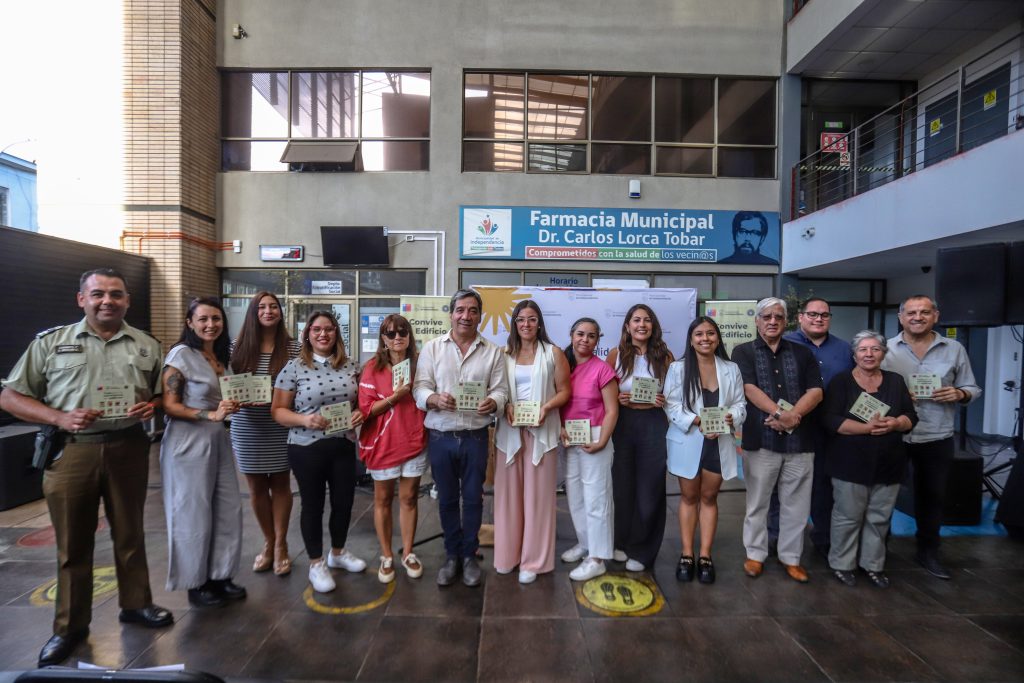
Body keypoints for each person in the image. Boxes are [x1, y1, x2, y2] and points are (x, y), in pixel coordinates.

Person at [0, 268, 172, 667]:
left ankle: (136, 604)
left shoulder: (146, 345)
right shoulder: (51, 343)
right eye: (98, 294)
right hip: (71, 450)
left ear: (127, 300)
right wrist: (59, 418)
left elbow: (162, 395)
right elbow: (10, 397)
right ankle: (69, 627)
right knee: (72, 545)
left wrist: (153, 405)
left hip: (129, 446)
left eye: (116, 294)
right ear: (82, 299)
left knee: (130, 533)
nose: (107, 301)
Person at [413, 289, 508, 587]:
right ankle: (451, 555)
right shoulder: (432, 348)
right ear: (451, 313)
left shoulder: (493, 351)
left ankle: (469, 555)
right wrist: (433, 399)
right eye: (460, 310)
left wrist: (493, 402)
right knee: (447, 499)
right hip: (441, 435)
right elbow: (419, 388)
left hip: (476, 437)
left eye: (472, 311)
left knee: (473, 499)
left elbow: (502, 390)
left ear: (480, 315)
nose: (466, 316)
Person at [882, 295, 981, 580]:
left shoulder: (954, 348)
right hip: (895, 434)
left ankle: (928, 551)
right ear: (900, 317)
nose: (917, 317)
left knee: (933, 497)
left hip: (936, 434)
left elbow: (972, 387)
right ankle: (879, 551)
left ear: (935, 316)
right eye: (911, 312)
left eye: (924, 312)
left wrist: (960, 393)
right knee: (884, 495)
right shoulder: (885, 350)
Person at [272, 310, 367, 593]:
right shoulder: (294, 368)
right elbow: (278, 411)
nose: (323, 334)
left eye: (328, 329)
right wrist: (305, 419)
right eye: (316, 329)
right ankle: (315, 563)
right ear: (307, 334)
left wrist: (360, 413)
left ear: (337, 333)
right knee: (312, 504)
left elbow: (362, 401)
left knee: (344, 502)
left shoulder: (352, 366)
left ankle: (337, 553)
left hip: (343, 444)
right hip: (306, 446)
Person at [160, 297, 246, 608]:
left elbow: (223, 399)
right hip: (188, 443)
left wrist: (233, 404)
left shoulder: (221, 357)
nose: (211, 324)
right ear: (190, 323)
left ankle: (221, 575)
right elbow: (168, 405)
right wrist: (208, 414)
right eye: (203, 319)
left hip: (219, 439)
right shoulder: (181, 355)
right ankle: (196, 582)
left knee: (227, 508)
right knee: (192, 512)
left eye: (216, 319)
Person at [732, 297, 823, 583]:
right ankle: (755, 555)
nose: (772, 321)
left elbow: (816, 391)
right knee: (757, 503)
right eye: (767, 316)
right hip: (761, 441)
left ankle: (791, 558)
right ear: (757, 321)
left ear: (787, 322)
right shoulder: (743, 352)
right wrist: (778, 413)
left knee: (797, 505)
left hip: (800, 442)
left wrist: (793, 416)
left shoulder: (802, 352)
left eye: (778, 317)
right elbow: (748, 388)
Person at [822, 331, 918, 588]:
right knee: (847, 516)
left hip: (889, 462)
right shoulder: (841, 382)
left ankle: (873, 565)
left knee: (879, 518)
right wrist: (867, 429)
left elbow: (911, 416)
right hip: (849, 462)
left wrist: (897, 422)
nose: (869, 354)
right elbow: (830, 420)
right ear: (854, 355)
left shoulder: (896, 382)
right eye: (863, 349)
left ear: (884, 353)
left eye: (875, 349)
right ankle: (842, 564)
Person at [664, 316, 746, 584]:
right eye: (699, 334)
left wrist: (730, 418)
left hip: (718, 442)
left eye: (710, 334)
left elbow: (740, 405)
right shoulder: (678, 369)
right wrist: (699, 421)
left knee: (709, 498)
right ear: (691, 339)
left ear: (718, 338)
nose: (705, 339)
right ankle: (687, 554)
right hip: (689, 440)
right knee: (689, 498)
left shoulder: (731, 368)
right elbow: (672, 405)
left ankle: (705, 555)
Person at [494, 301, 571, 584]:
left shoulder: (553, 353)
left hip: (542, 432)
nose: (526, 324)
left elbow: (565, 391)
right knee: (508, 498)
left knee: (538, 500)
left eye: (532, 319)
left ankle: (533, 562)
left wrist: (547, 408)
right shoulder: (503, 355)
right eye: (521, 319)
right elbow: (497, 391)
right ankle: (507, 555)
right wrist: (506, 408)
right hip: (509, 432)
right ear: (514, 324)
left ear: (539, 323)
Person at [776, 297, 855, 557]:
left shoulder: (845, 350)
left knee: (824, 486)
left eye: (824, 315)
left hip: (832, 429)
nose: (818, 319)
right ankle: (776, 540)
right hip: (791, 426)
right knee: (782, 486)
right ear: (800, 317)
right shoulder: (784, 344)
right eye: (812, 314)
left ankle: (822, 539)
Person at [229, 291, 301, 577]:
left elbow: (299, 385)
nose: (268, 311)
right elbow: (229, 383)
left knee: (281, 483)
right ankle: (268, 543)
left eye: (273, 306)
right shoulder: (236, 346)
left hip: (280, 425)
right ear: (253, 312)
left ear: (280, 312)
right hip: (247, 424)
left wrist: (281, 399)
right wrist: (235, 399)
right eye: (262, 307)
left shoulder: (293, 348)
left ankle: (282, 544)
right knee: (256, 488)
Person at [358, 314, 428, 584]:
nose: (397, 337)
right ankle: (387, 555)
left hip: (413, 439)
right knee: (383, 500)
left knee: (409, 498)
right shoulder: (372, 368)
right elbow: (366, 410)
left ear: (409, 336)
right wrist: (395, 398)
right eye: (390, 333)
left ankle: (408, 552)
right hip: (383, 443)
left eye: (403, 332)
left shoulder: (420, 365)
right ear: (383, 339)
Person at [606, 304, 673, 572]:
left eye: (647, 320)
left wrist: (664, 399)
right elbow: (605, 394)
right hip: (623, 424)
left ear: (653, 326)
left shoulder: (665, 356)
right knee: (622, 488)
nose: (641, 324)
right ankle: (620, 543)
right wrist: (617, 398)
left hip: (653, 425)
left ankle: (644, 550)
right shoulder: (615, 354)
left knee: (650, 489)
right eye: (636, 320)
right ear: (627, 326)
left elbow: (675, 393)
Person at [560, 317, 620, 581]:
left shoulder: (602, 370)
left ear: (598, 340)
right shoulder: (563, 366)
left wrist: (603, 440)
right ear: (572, 335)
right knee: (575, 496)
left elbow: (612, 410)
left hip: (596, 436)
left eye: (592, 336)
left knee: (596, 498)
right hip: (570, 437)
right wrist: (561, 428)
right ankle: (585, 543)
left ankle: (598, 557)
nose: (585, 340)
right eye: (580, 334)